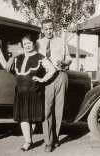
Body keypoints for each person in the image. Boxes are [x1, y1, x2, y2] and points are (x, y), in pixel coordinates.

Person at [0, 35, 56, 151]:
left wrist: (42, 79)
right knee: (24, 117)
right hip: (21, 91)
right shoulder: (17, 58)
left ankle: (28, 140)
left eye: (29, 43)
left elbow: (52, 69)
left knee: (32, 118)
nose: (27, 46)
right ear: (22, 46)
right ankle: (27, 141)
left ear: (33, 44)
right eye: (24, 44)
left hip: (34, 91)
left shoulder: (40, 57)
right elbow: (6, 66)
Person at [36, 19, 72, 152]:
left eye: (50, 28)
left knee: (58, 109)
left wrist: (65, 62)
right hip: (47, 78)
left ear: (54, 28)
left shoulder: (61, 42)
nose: (48, 31)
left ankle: (55, 138)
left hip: (61, 76)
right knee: (47, 110)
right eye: (45, 29)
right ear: (42, 30)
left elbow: (69, 58)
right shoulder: (38, 43)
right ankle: (47, 141)